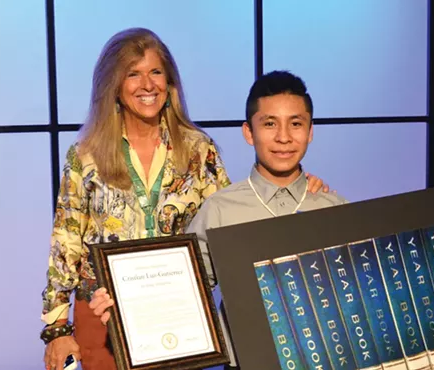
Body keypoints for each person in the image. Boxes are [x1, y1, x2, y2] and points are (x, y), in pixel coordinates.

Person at [40, 28, 330, 370]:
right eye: (133, 74)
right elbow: (66, 241)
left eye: (156, 72)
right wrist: (57, 329)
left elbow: (235, 221)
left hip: (176, 315)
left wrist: (296, 189)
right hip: (104, 316)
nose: (147, 85)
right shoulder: (85, 155)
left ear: (170, 82)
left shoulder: (198, 150)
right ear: (113, 86)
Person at [90, 70, 348, 369]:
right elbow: (181, 290)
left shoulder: (335, 208)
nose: (284, 137)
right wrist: (123, 306)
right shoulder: (219, 209)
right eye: (269, 124)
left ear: (310, 131)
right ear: (248, 132)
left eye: (296, 124)